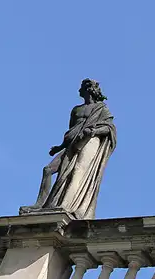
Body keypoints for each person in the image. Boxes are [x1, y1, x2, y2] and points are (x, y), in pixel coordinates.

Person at [21, 79, 117, 219]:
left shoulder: (101, 109)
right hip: (71, 145)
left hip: (86, 143)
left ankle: (66, 204)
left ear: (89, 90)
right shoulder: (76, 110)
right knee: (48, 170)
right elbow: (72, 130)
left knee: (75, 173)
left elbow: (109, 128)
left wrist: (93, 132)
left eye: (82, 88)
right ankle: (40, 204)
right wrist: (59, 147)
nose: (80, 90)